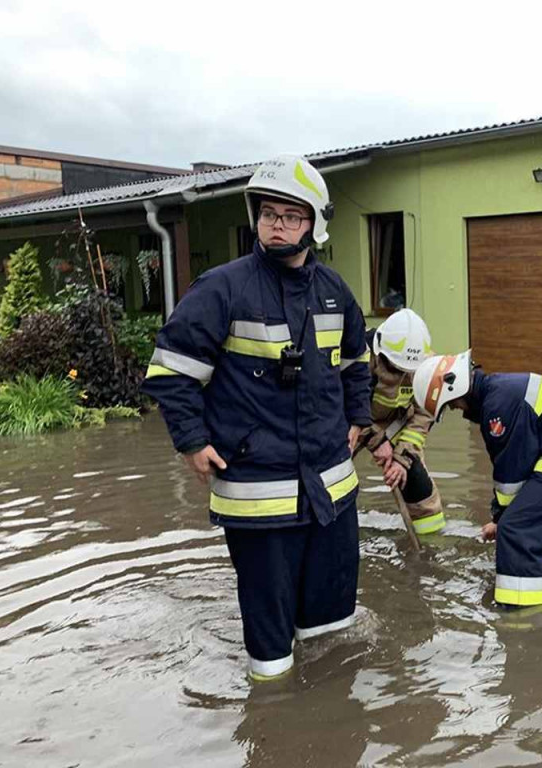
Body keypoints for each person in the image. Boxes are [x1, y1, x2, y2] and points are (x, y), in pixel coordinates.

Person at [142, 154, 372, 681]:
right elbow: (171, 372)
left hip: (331, 495)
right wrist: (192, 442)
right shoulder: (222, 288)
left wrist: (357, 416)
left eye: (291, 216)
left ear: (314, 223)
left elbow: (359, 363)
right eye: (268, 214)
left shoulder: (334, 291)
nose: (277, 225)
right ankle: (272, 723)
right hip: (257, 493)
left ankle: (332, 722)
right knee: (270, 655)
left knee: (333, 632)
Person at [412, 351, 542, 608]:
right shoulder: (499, 391)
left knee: (516, 530)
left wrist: (501, 520)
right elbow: (516, 465)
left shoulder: (498, 407)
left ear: (456, 389)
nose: (456, 410)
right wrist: (503, 513)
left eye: (451, 404)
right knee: (530, 511)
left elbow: (511, 472)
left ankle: (522, 612)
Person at [360, 308, 445, 534]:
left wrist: (401, 457)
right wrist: (376, 440)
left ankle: (429, 546)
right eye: (396, 368)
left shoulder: (426, 365)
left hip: (397, 422)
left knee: (415, 479)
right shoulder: (361, 356)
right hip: (357, 422)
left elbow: (424, 414)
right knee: (333, 474)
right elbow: (344, 405)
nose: (401, 374)